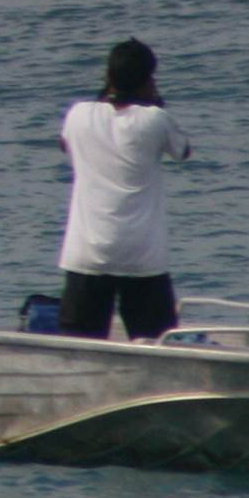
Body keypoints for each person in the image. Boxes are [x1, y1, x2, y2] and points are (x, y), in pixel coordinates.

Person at [56, 37, 192, 341]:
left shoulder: (78, 115)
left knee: (78, 346)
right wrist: (154, 101)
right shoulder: (155, 120)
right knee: (158, 344)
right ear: (148, 81)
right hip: (141, 257)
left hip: (87, 253)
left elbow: (64, 143)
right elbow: (183, 151)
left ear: (108, 77)